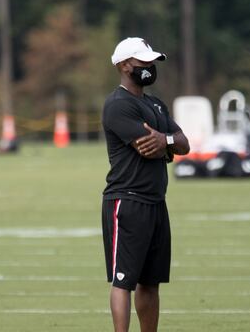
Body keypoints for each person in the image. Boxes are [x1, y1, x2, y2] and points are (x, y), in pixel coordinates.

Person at [101, 37, 190, 332]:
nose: (150, 67)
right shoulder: (117, 105)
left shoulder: (155, 104)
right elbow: (145, 147)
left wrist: (164, 140)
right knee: (123, 280)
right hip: (126, 201)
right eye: (143, 62)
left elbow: (183, 144)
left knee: (151, 282)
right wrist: (167, 145)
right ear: (124, 65)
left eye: (151, 62)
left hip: (155, 201)